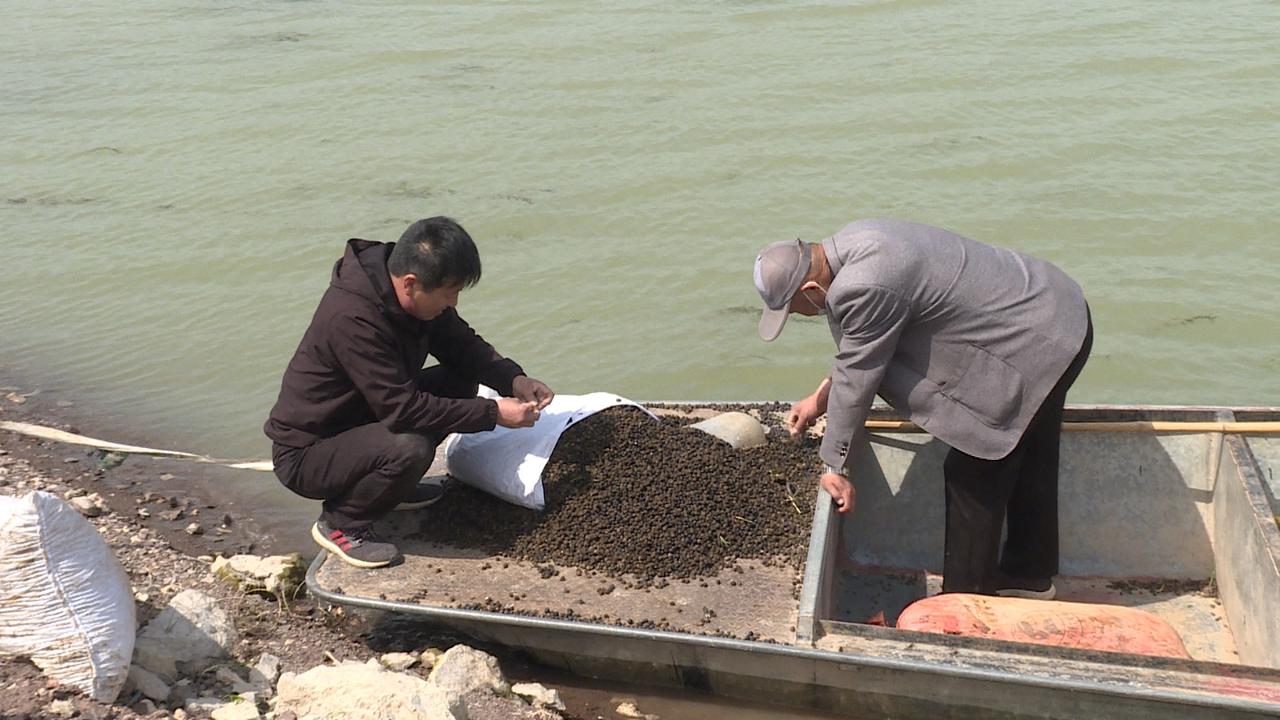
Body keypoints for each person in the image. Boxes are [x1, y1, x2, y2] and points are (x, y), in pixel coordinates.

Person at [753, 219, 1091, 599]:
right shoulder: (856, 239)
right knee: (1029, 452)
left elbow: (859, 369)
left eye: (795, 309)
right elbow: (866, 347)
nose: (802, 315)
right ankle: (1029, 577)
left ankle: (966, 603)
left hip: (1037, 342)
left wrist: (834, 465)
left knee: (973, 468)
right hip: (1062, 312)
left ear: (811, 288)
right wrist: (819, 401)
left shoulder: (862, 284)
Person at [265, 217, 554, 569]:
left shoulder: (416, 299)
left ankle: (391, 488)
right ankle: (342, 522)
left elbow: (462, 347)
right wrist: (494, 414)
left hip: (363, 419)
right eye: (450, 292)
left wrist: (514, 380)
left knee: (460, 383)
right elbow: (402, 411)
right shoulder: (353, 318)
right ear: (411, 283)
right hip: (309, 453)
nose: (455, 302)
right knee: (410, 447)